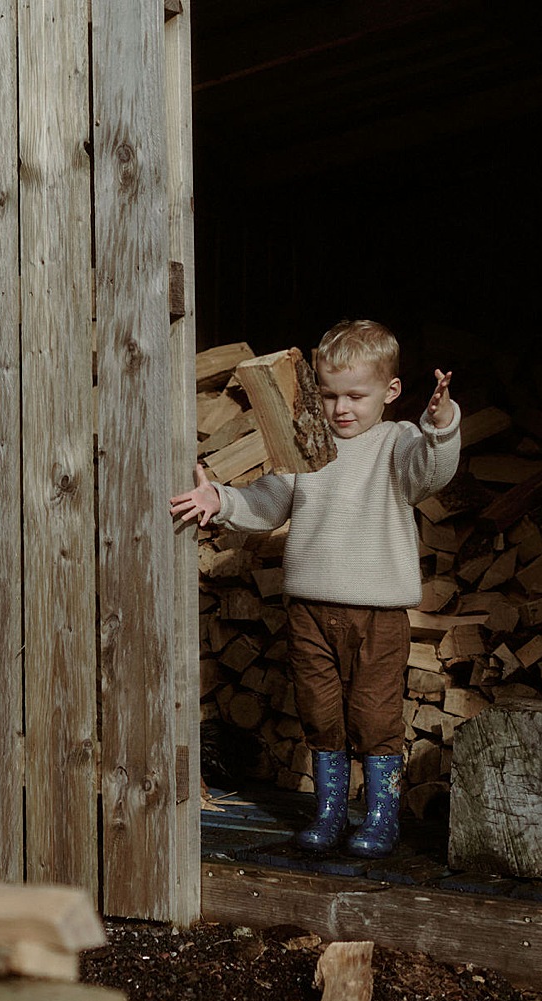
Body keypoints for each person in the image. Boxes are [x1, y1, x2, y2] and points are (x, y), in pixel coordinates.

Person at [170, 318, 461, 858]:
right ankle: (328, 813)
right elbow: (268, 500)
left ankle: (379, 818)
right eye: (328, 395)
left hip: (376, 613)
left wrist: (441, 424)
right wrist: (222, 502)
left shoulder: (398, 443)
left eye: (356, 395)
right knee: (319, 713)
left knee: (374, 716)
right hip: (308, 607)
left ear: (390, 392)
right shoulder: (306, 444)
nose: (341, 408)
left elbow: (431, 472)